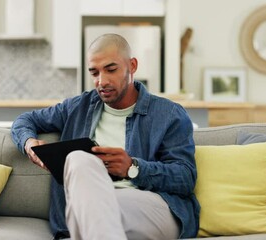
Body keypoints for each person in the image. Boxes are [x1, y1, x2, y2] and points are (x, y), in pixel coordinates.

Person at [11, 33, 200, 239]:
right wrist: (29, 144)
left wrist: (132, 168)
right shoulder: (78, 107)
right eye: (94, 72)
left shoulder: (169, 114)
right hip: (90, 207)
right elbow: (24, 121)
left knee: (91, 208)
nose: (102, 81)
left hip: (151, 205)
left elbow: (185, 178)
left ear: (132, 66)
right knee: (78, 159)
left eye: (111, 70)